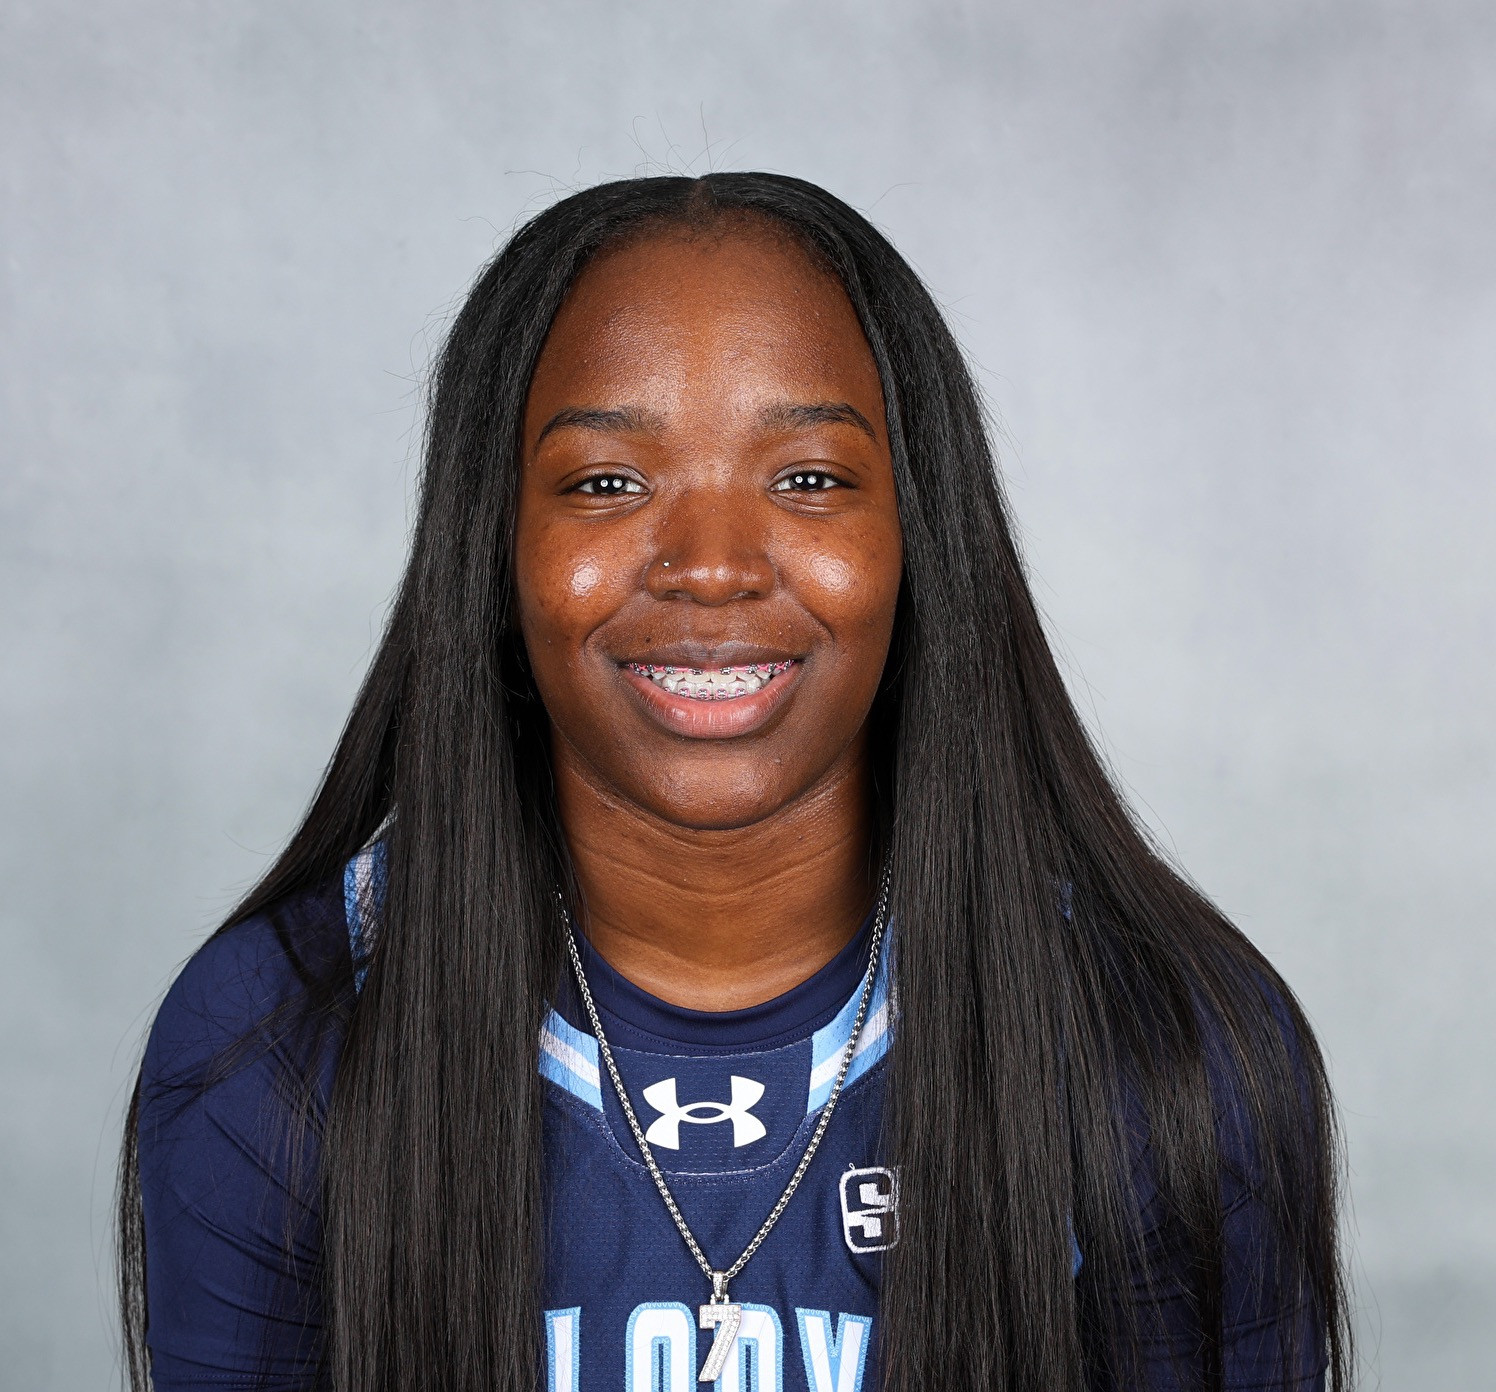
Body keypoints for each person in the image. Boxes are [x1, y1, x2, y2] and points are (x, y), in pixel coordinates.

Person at [119, 173, 1353, 1392]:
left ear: (918, 538)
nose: (710, 568)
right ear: (492, 545)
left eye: (807, 477)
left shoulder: (1160, 1048)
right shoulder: (276, 1037)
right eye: (607, 482)